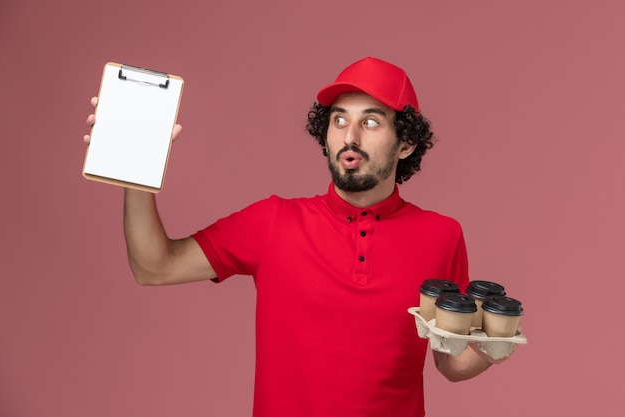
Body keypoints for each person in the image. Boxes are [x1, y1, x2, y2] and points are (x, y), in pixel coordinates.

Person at [84, 57, 506, 417]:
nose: (349, 136)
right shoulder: (273, 221)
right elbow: (154, 267)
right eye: (339, 120)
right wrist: (136, 171)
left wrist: (495, 343)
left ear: (406, 143)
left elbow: (449, 363)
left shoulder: (441, 235)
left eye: (370, 122)